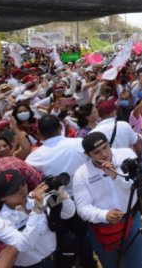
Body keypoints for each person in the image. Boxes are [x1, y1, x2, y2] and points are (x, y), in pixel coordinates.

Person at [24, 115, 97, 268]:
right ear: (60, 127)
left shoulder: (34, 157)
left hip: (54, 199)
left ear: (40, 135)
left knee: (60, 235)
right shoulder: (79, 144)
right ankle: (87, 263)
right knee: (83, 234)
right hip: (80, 194)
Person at [74, 132, 142, 268]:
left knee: (139, 263)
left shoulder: (126, 154)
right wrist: (105, 215)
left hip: (132, 218)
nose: (104, 154)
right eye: (97, 152)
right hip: (103, 227)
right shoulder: (81, 174)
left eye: (106, 147)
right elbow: (82, 208)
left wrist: (116, 177)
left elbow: (138, 183)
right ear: (87, 155)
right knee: (113, 265)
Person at [0, 169, 75, 268]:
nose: (22, 191)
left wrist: (62, 196)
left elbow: (68, 214)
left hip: (53, 258)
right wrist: (37, 210)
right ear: (2, 198)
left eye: (23, 184)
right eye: (15, 190)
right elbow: (24, 245)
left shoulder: (34, 198)